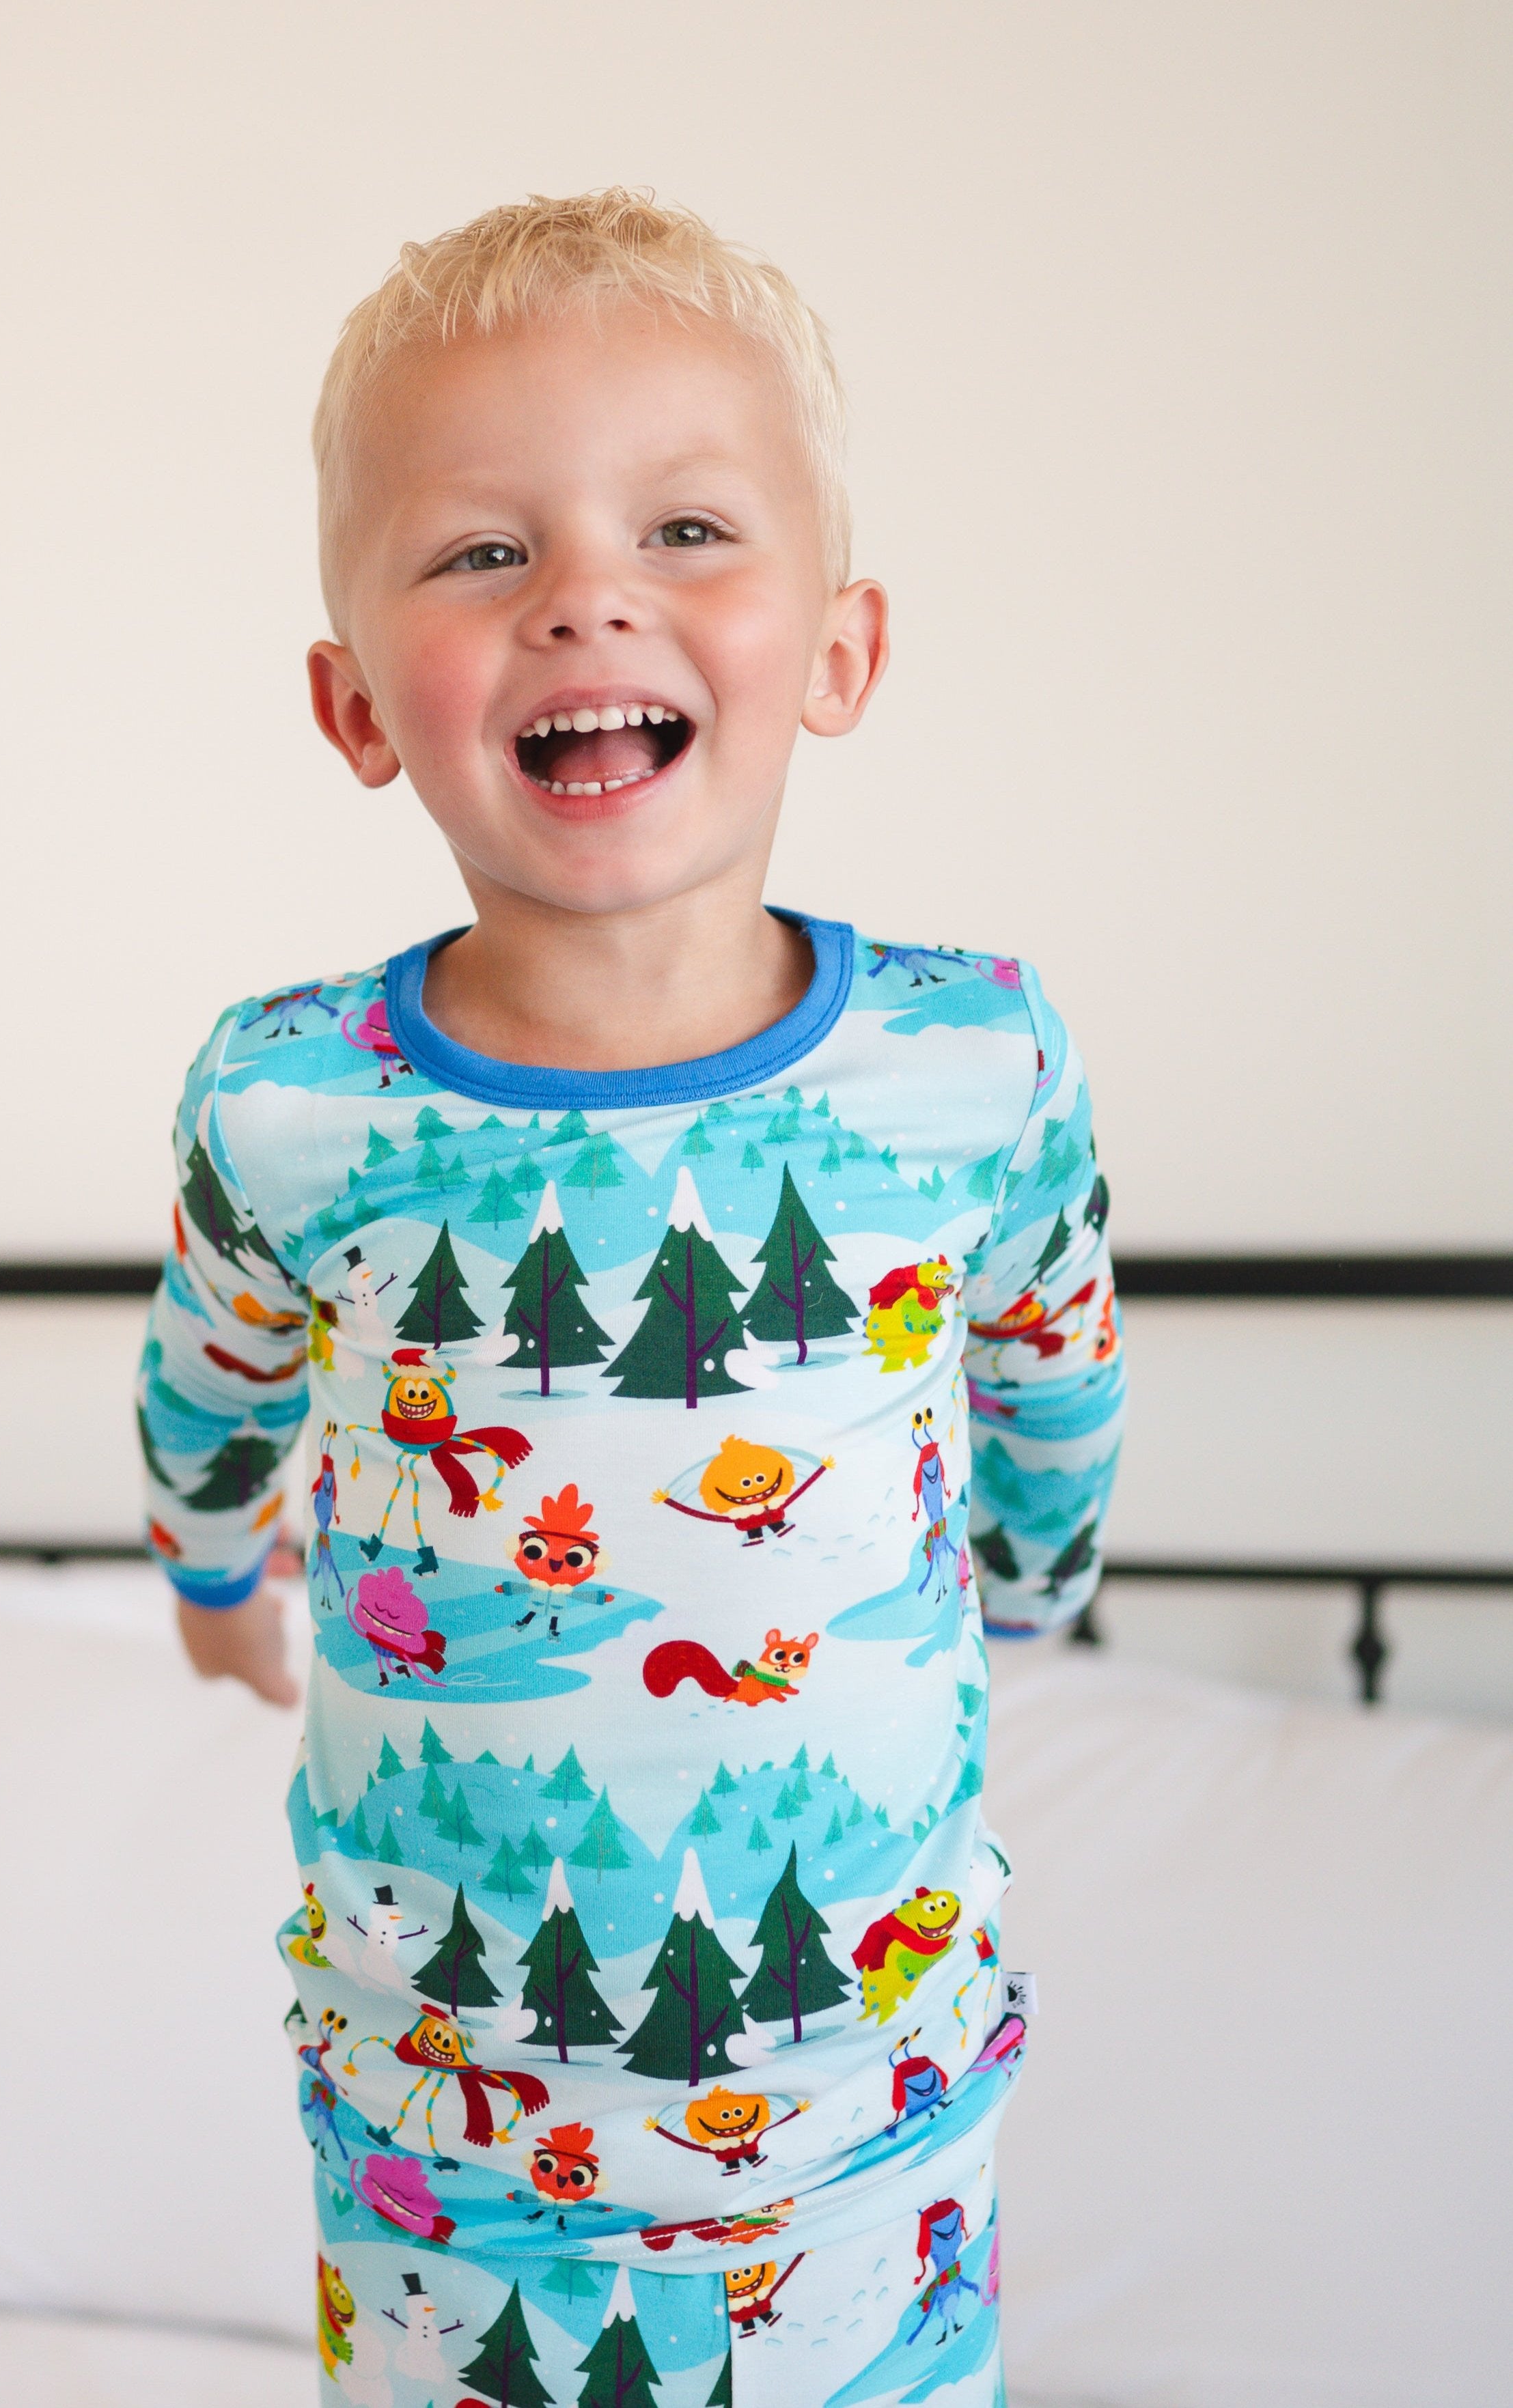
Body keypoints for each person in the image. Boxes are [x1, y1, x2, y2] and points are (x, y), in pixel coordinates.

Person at [137, 189, 1123, 2406]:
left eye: (685, 529)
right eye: (485, 551)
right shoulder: (289, 1102)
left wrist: (1038, 1584)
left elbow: (1058, 1368)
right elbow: (207, 1378)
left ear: (841, 653)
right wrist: (210, 1572)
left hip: (868, 2141)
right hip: (442, 2153)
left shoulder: (970, 1063)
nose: (586, 593)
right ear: (357, 703)